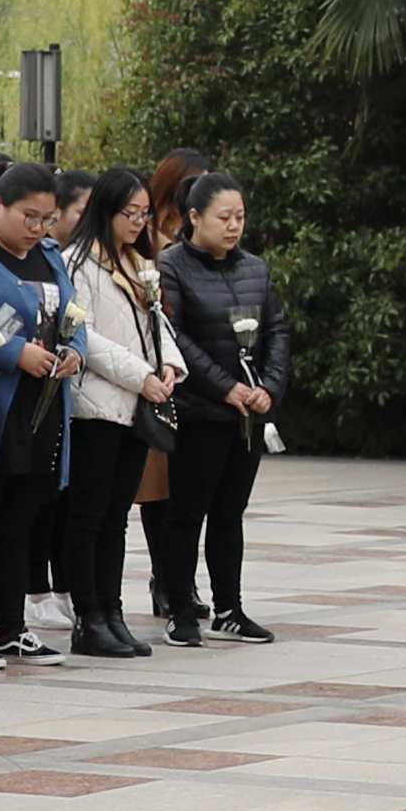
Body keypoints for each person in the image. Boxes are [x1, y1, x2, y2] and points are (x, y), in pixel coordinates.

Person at [0, 162, 78, 667]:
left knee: (22, 520)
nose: (38, 228)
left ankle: (11, 626)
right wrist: (14, 353)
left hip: (42, 405)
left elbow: (73, 316)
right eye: (29, 216)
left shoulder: (49, 254)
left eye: (47, 219)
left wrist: (76, 351)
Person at [156, 177, 288, 645]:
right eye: (224, 217)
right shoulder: (171, 267)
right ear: (194, 217)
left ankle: (230, 608)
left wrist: (268, 388)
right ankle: (179, 609)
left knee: (231, 513)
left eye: (240, 217)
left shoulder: (255, 268)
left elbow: (276, 330)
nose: (234, 226)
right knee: (186, 513)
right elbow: (174, 335)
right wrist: (225, 387)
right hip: (199, 411)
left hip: (247, 414)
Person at [59, 166, 184, 657]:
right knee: (88, 516)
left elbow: (157, 325)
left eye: (144, 213)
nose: (137, 222)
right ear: (105, 210)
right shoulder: (77, 262)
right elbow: (84, 337)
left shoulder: (136, 262)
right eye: (129, 212)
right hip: (96, 406)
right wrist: (142, 375)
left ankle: (112, 614)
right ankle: (88, 617)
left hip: (135, 406)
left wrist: (169, 366)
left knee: (117, 517)